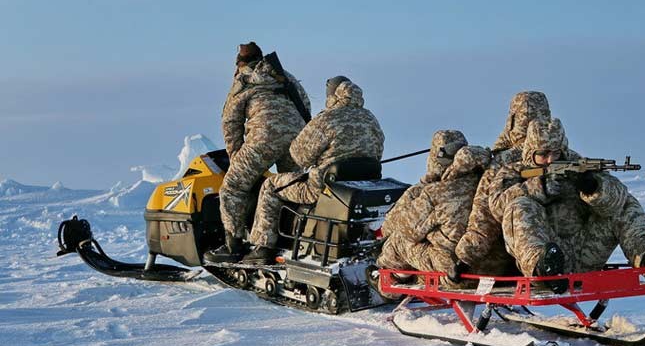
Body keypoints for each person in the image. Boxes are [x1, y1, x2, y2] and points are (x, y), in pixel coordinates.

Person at [489, 117, 645, 291]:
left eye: (556, 153)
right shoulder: (513, 172)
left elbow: (618, 194)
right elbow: (498, 206)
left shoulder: (578, 164)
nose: (550, 160)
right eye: (543, 154)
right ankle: (544, 269)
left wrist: (593, 188)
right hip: (546, 257)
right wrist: (538, 188)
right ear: (530, 153)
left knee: (623, 203)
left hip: (585, 251)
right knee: (519, 206)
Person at [244, 76, 384, 264]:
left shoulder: (327, 118)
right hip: (359, 189)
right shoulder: (370, 119)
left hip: (322, 190)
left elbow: (299, 155)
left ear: (332, 95)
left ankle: (263, 247)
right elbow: (377, 152)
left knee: (270, 187)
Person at [205, 43, 312, 263]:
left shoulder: (243, 79)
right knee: (290, 188)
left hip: (263, 140)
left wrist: (236, 157)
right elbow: (306, 105)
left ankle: (234, 246)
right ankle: (292, 241)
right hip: (297, 139)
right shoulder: (285, 76)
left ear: (240, 63)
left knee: (233, 188)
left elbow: (231, 120)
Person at [456, 91, 574, 275]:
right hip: (538, 249)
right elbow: (490, 207)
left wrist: (466, 256)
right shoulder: (563, 154)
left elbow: (484, 213)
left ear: (512, 121)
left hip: (512, 254)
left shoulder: (503, 160)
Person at [376, 144, 490, 287]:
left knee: (398, 242)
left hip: (456, 272)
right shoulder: (490, 187)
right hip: (495, 268)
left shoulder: (437, 192)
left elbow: (407, 231)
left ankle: (385, 284)